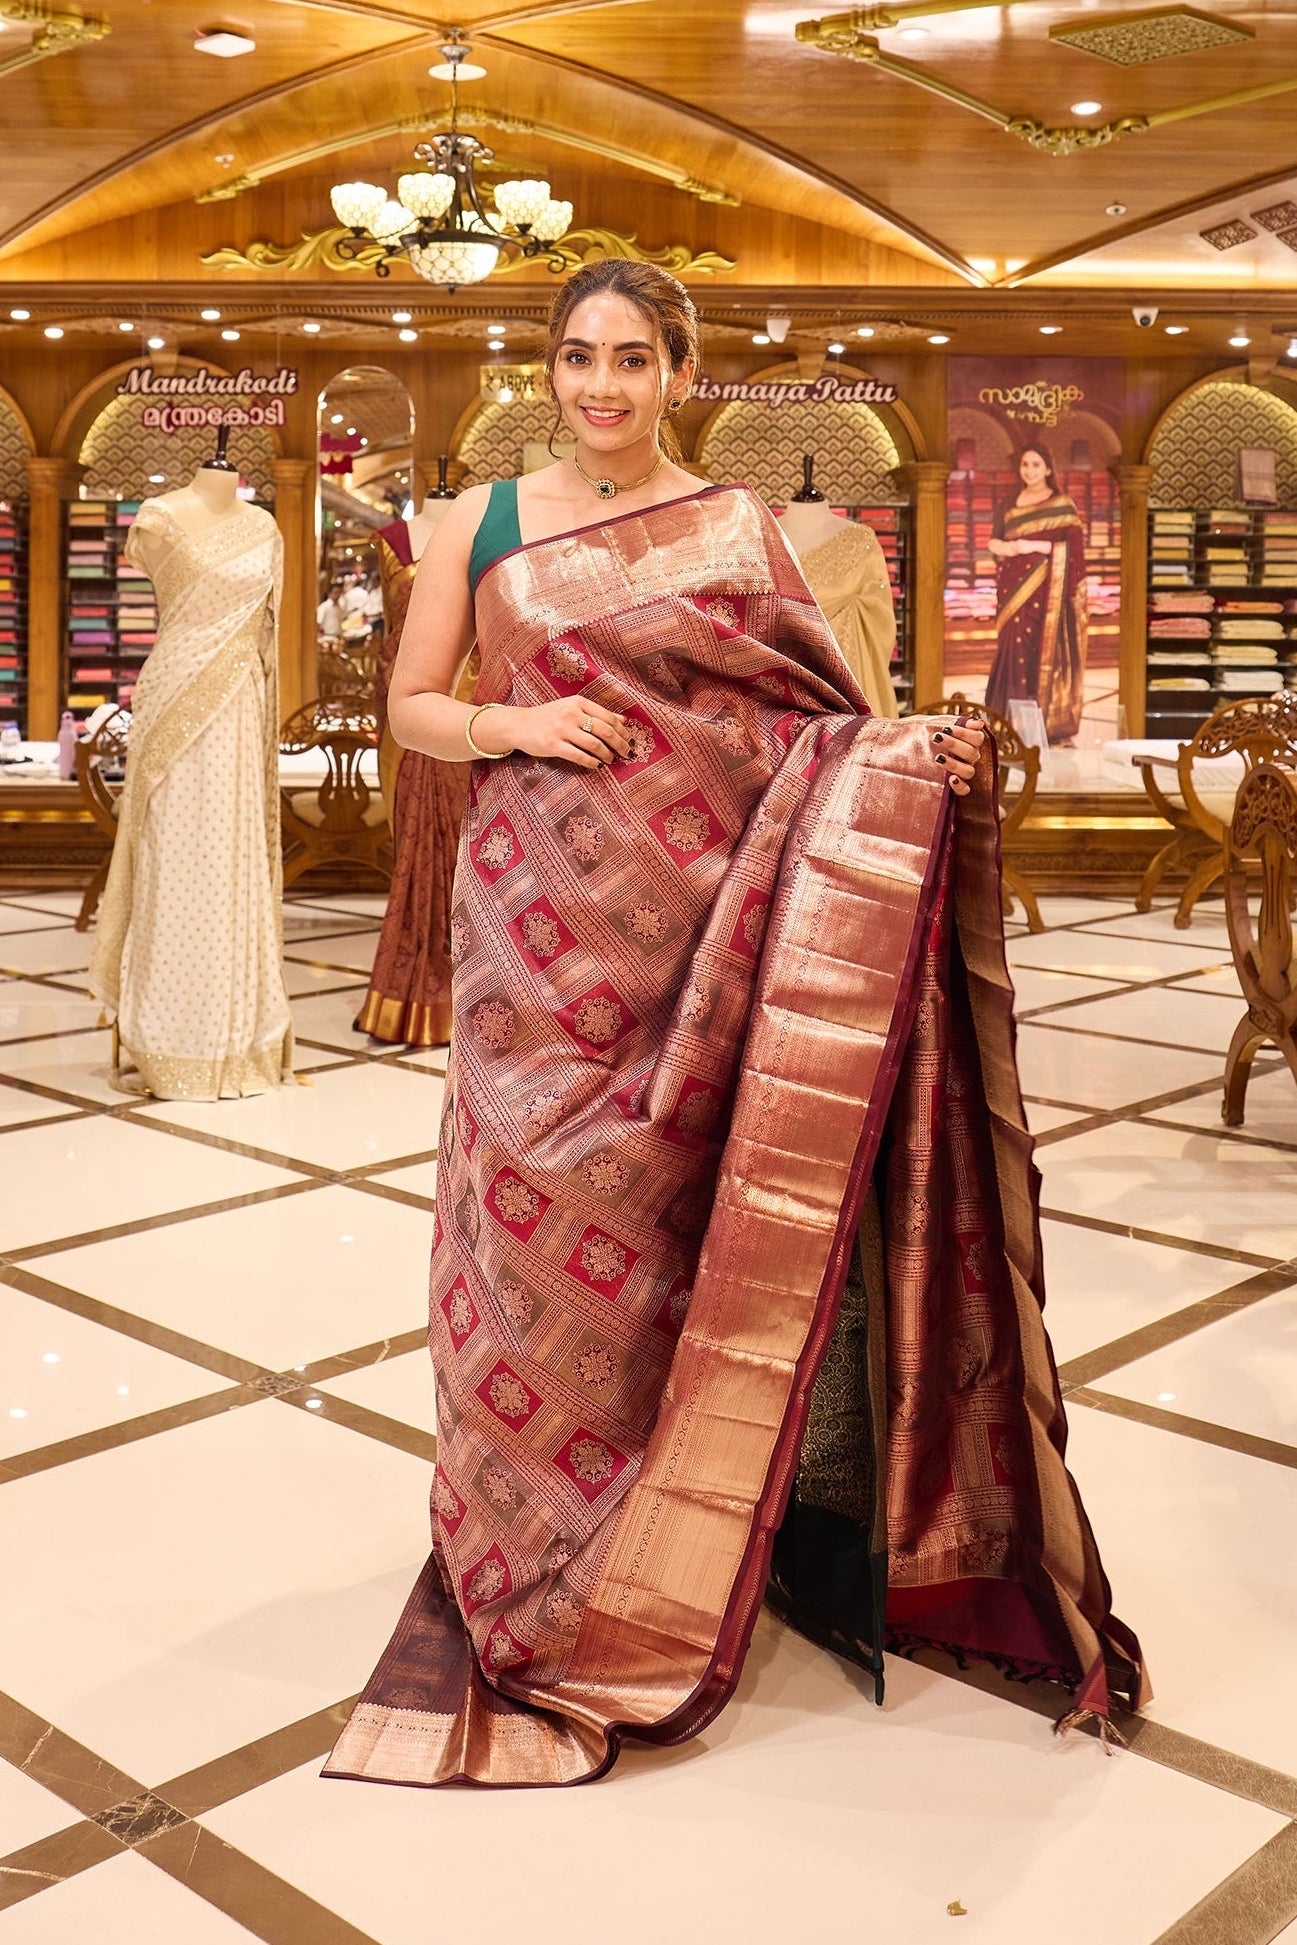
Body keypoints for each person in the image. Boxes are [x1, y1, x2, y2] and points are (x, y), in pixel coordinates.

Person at [325, 260, 1145, 1792]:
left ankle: (681, 1538)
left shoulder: (734, 527)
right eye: (581, 356)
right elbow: (412, 704)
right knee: (526, 1221)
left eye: (634, 358)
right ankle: (529, 1543)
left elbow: (811, 719)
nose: (604, 385)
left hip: (707, 922)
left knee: (679, 1226)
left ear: (679, 372)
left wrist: (915, 759)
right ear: (550, 366)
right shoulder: (478, 520)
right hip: (533, 937)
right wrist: (511, 720)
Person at [89, 460, 293, 1099]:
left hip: (240, 702)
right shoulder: (160, 518)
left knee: (232, 860)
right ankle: (169, 1034)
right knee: (172, 860)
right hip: (177, 694)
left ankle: (238, 1036)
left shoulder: (264, 527)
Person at [354, 500, 476, 1045]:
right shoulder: (392, 541)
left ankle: (478, 997)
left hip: (477, 718)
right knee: (413, 850)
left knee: (471, 856)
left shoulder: (483, 528)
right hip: (407, 725)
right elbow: (392, 645)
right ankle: (409, 988)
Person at [985, 443, 1088, 744]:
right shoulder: (1009, 503)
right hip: (1012, 589)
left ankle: (1042, 728)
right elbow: (993, 540)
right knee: (1011, 647)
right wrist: (1008, 548)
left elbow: (1075, 550)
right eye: (1025, 464)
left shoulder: (1062, 504)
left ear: (1048, 469)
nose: (1029, 471)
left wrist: (1034, 546)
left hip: (1046, 592)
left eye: (1036, 464)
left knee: (1038, 651)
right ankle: (1005, 727)